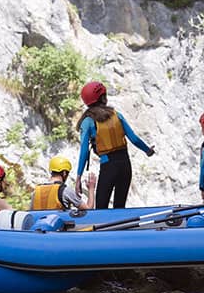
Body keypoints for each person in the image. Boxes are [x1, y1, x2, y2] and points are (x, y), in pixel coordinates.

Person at [75, 81, 155, 209]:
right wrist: (147, 150)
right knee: (119, 207)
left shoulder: (88, 121)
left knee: (101, 208)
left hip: (109, 166)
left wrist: (78, 177)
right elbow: (133, 138)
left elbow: (84, 151)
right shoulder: (116, 115)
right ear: (102, 98)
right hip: (125, 164)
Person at [30, 156, 96, 211]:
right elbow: (88, 209)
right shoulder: (65, 191)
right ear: (64, 173)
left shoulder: (36, 191)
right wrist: (91, 188)